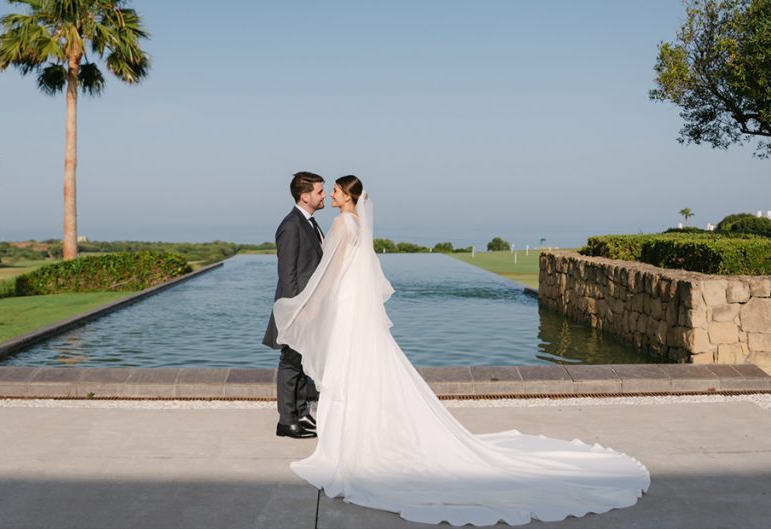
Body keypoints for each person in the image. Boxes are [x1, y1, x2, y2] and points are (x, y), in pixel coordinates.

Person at [273, 175, 650, 526]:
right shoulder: (353, 225)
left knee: (348, 366)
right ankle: (353, 426)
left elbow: (333, 271)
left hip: (345, 302)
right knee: (361, 365)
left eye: (334, 190)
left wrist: (308, 304)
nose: (330, 195)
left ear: (348, 196)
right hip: (355, 304)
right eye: (326, 191)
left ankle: (349, 437)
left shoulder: (342, 224)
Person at [263, 171, 325, 439]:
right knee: (290, 362)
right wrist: (296, 309)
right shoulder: (291, 225)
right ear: (305, 195)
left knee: (300, 362)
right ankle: (286, 421)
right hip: (296, 308)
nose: (323, 195)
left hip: (309, 306)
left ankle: (299, 414)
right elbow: (287, 273)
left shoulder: (309, 223)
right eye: (320, 191)